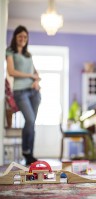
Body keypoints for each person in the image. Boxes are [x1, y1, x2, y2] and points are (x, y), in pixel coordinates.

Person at [6, 25, 41, 165]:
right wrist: (30, 76)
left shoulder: (28, 55)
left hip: (34, 92)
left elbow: (36, 73)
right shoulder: (10, 52)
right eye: (20, 36)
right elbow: (11, 72)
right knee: (30, 119)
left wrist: (36, 81)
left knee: (32, 124)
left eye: (25, 37)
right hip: (20, 92)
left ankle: (29, 155)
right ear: (15, 37)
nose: (23, 39)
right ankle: (26, 151)